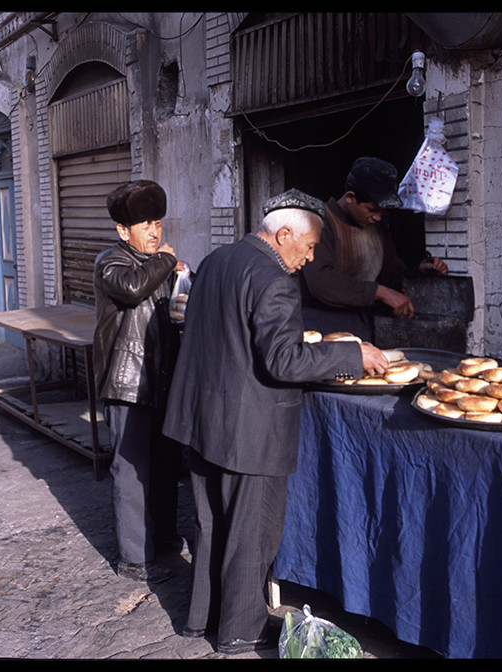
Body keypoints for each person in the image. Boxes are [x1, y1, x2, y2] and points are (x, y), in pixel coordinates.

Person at [162, 188, 389, 654]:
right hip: (250, 427)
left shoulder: (219, 259)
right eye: (306, 248)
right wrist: (350, 353)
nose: (309, 260)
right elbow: (283, 361)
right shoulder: (274, 279)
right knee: (252, 531)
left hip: (204, 417)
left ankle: (203, 617)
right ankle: (241, 630)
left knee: (213, 524)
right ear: (283, 234)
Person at [93, 179, 185, 585]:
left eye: (159, 224)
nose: (154, 232)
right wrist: (165, 262)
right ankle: (133, 558)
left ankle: (163, 539)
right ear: (122, 231)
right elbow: (132, 289)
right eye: (145, 225)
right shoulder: (110, 262)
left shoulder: (157, 266)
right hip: (126, 383)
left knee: (165, 467)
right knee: (131, 471)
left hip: (161, 380)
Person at [300, 156, 449, 342]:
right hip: (321, 327)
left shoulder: (378, 231)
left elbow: (392, 275)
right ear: (350, 198)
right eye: (372, 210)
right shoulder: (318, 223)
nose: (378, 218)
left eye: (382, 212)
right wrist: (380, 292)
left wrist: (419, 271)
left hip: (362, 327)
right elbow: (322, 282)